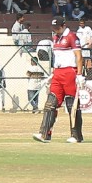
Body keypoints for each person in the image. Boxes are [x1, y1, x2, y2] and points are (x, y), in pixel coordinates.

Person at [34, 16, 84, 144]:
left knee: (72, 104)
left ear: (64, 25)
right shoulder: (55, 37)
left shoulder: (72, 36)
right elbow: (58, 57)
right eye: (54, 27)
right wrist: (53, 72)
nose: (56, 30)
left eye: (58, 27)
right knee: (51, 103)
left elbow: (78, 56)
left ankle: (76, 135)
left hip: (70, 72)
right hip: (58, 72)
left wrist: (79, 74)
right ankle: (44, 134)